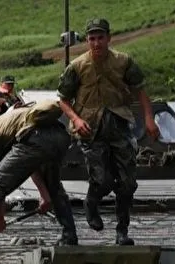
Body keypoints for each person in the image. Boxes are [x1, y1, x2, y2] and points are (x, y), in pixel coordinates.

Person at [57, 18, 160, 245]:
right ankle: (91, 203)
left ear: (108, 38)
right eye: (92, 39)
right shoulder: (76, 66)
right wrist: (76, 118)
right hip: (90, 130)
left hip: (119, 126)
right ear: (87, 41)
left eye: (100, 37)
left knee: (127, 184)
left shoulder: (123, 62)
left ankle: (121, 231)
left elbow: (140, 90)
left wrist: (149, 118)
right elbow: (63, 100)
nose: (96, 43)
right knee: (102, 180)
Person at [0, 100, 78, 249]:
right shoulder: (10, 121)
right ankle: (69, 235)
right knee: (55, 188)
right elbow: (31, 165)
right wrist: (45, 195)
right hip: (60, 137)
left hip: (36, 139)